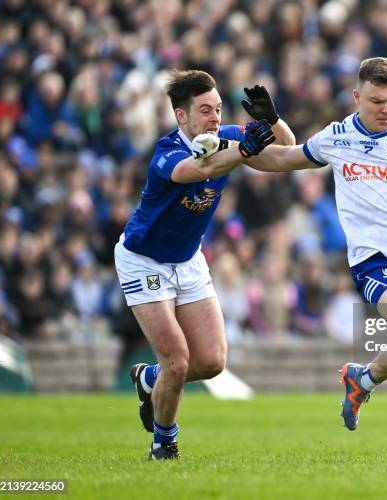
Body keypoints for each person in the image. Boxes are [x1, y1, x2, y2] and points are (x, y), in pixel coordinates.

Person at [197, 57, 387, 459]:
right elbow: (279, 159)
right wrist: (237, 144)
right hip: (375, 263)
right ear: (357, 96)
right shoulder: (336, 137)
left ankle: (363, 378)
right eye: (378, 101)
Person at [115, 70, 295, 460]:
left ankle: (149, 379)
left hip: (187, 257)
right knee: (177, 362)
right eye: (204, 111)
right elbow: (201, 170)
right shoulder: (167, 152)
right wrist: (244, 150)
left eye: (217, 109)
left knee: (212, 361)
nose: (215, 118)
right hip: (144, 260)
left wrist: (272, 120)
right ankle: (164, 442)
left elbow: (286, 151)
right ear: (181, 117)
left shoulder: (227, 135)